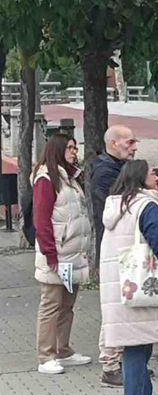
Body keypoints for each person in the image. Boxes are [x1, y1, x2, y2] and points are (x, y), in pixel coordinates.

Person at [99, 160, 158, 395]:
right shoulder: (146, 206)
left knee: (134, 342)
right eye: (152, 171)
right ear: (141, 177)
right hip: (143, 282)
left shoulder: (117, 204)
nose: (156, 175)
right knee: (143, 342)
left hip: (121, 284)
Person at [32, 134, 93, 375]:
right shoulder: (47, 179)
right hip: (56, 255)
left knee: (67, 305)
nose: (74, 151)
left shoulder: (70, 177)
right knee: (51, 305)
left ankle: (63, 349)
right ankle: (45, 355)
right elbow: (42, 220)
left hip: (72, 255)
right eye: (69, 148)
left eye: (75, 147)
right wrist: (50, 255)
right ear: (57, 150)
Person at [91, 124, 138, 387]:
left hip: (124, 247)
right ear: (113, 143)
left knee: (123, 307)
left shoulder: (117, 168)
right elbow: (115, 205)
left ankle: (126, 361)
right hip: (114, 248)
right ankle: (110, 364)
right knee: (113, 308)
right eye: (129, 143)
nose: (134, 147)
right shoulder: (105, 172)